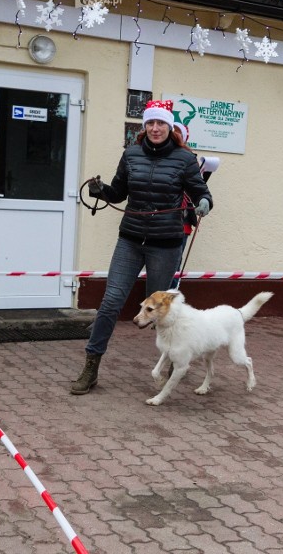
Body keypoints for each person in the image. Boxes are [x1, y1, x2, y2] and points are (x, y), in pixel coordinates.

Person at [71, 100, 213, 395]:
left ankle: (176, 361)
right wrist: (101, 191)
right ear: (144, 126)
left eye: (161, 123)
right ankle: (91, 366)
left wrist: (204, 203)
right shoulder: (131, 155)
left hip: (166, 244)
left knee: (164, 311)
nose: (155, 128)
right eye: (150, 123)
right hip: (131, 239)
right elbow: (118, 192)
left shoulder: (184, 159)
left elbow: (202, 191)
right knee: (111, 302)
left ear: (170, 127)